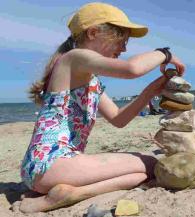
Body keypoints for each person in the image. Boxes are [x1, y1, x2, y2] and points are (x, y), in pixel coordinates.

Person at [19, 2, 185, 213]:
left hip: (49, 169)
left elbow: (118, 119)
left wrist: (150, 91)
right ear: (93, 32)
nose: (124, 48)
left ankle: (72, 193)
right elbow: (132, 69)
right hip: (52, 162)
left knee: (141, 175)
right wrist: (164, 54)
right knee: (151, 163)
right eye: (121, 40)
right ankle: (62, 194)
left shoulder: (90, 80)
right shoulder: (73, 58)